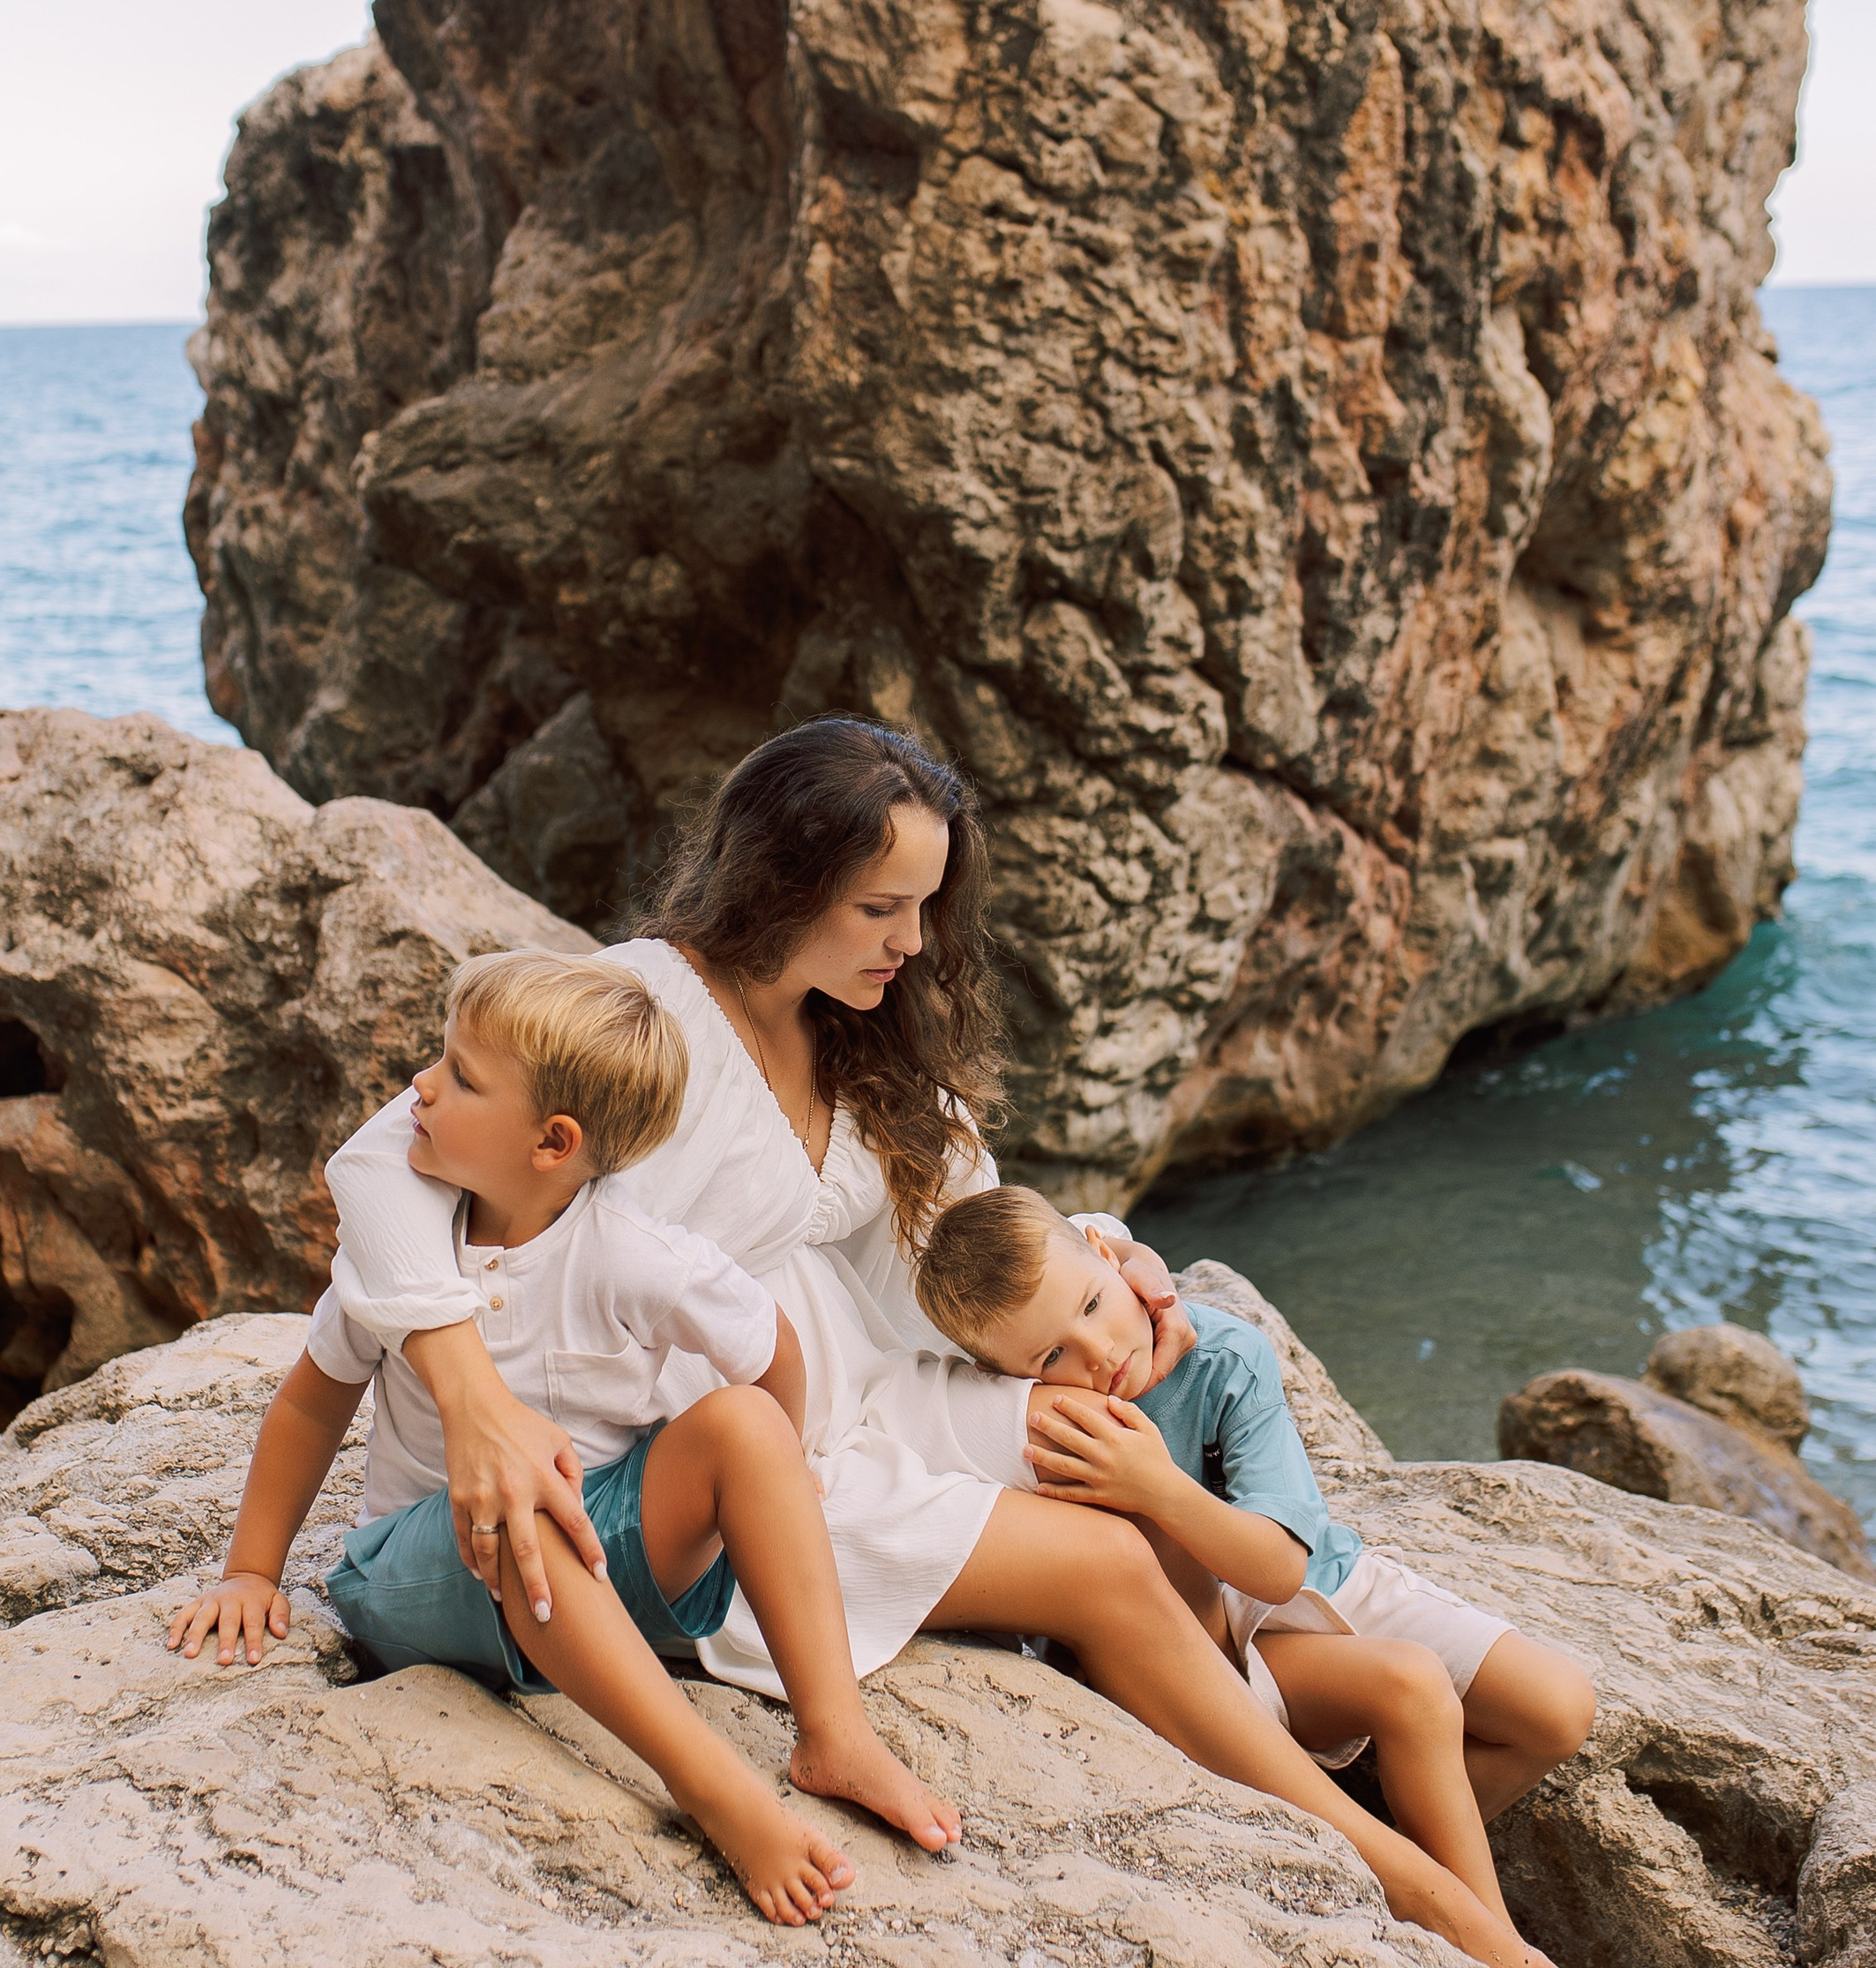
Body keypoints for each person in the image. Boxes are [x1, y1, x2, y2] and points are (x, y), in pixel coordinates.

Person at [207, 716, 1557, 1968]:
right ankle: (1406, 1880)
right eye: (878, 906)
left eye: (925, 904)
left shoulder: (866, 1042)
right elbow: (384, 1162)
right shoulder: (637, 1005)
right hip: (667, 1480)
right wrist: (465, 1391)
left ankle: (1345, 1768)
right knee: (1103, 1560)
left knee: (1137, 1469)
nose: (910, 939)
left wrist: (1101, 1256)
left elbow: (975, 1241)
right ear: (777, 883)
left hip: (827, 1431)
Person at [169, 950, 958, 1927]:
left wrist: (780, 1468)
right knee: (525, 1495)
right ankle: (711, 1785)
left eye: (458, 1076)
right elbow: (308, 1403)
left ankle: (834, 1732)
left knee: (741, 1423)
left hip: (608, 1567)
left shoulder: (635, 1252)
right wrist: (252, 1568)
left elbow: (773, 1353)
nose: (418, 1087)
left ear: (553, 1141)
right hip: (420, 1577)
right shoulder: (403, 1255)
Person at [914, 1183, 1596, 1939]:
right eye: (1051, 1356)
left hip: (1309, 1579)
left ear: (1109, 1256)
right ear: (1007, 1379)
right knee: (1413, 1686)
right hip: (1215, 1655)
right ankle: (1480, 1930)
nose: (1100, 1353)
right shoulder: (1043, 1433)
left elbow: (1279, 1568)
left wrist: (1160, 1488)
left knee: (1559, 1708)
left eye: (1091, 1306)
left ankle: (1394, 1843)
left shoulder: (1224, 1356)